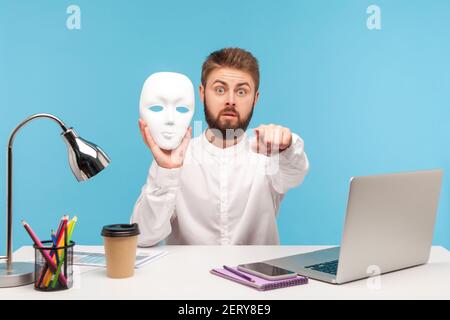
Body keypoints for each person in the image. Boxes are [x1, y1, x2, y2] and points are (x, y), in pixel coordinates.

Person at [131, 47, 309, 246]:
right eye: (220, 90)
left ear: (255, 99)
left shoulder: (270, 155)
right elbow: (144, 237)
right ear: (202, 93)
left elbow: (295, 171)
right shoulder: (174, 159)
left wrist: (287, 144)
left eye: (241, 91)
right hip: (190, 276)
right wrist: (166, 171)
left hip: (257, 275)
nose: (230, 101)